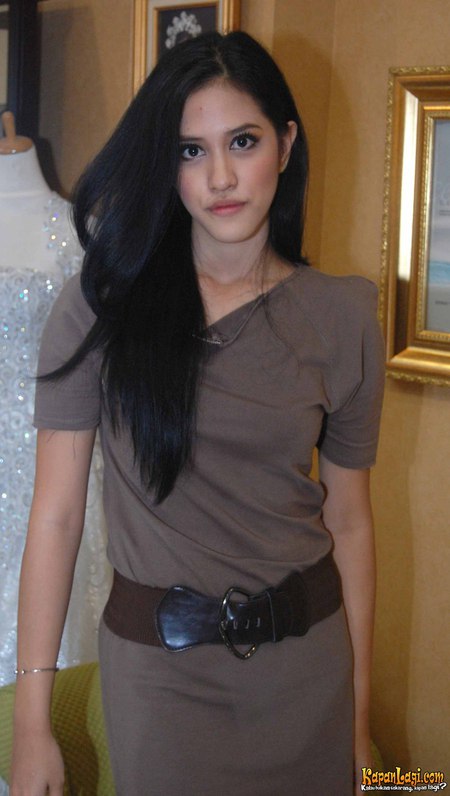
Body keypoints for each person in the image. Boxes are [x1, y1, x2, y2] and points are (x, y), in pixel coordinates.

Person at [10, 31, 384, 796]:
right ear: (165, 164)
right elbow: (55, 517)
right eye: (190, 151)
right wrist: (31, 722)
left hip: (309, 674)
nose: (220, 177)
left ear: (285, 145)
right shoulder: (100, 308)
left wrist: (358, 718)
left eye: (243, 141)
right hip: (160, 682)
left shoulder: (343, 317)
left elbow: (349, 523)